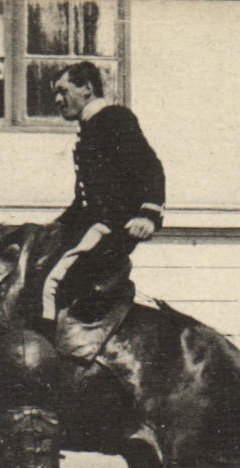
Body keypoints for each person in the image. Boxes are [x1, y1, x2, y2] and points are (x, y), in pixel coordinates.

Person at [41, 59, 166, 325]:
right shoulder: (90, 128)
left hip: (112, 227)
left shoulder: (114, 119)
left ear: (87, 88)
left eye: (63, 91)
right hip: (94, 225)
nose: (58, 100)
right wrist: (53, 227)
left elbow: (150, 167)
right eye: (55, 93)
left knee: (52, 285)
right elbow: (86, 200)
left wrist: (148, 215)